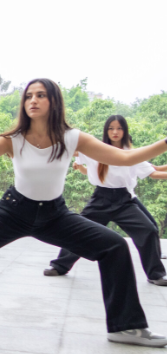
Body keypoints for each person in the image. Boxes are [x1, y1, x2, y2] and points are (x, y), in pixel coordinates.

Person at [0, 78, 167, 348]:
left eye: (40, 95)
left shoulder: (72, 138)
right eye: (28, 96)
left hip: (54, 215)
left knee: (115, 247)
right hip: (13, 210)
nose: (33, 101)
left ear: (54, 101)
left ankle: (126, 327)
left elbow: (126, 158)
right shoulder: (13, 139)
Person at [43, 115, 167, 286]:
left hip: (124, 201)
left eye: (119, 128)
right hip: (100, 199)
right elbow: (71, 150)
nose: (115, 132)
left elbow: (154, 172)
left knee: (148, 230)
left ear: (125, 131)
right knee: (78, 231)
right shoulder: (95, 149)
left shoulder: (132, 154)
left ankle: (156, 274)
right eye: (111, 128)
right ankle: (59, 266)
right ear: (106, 131)